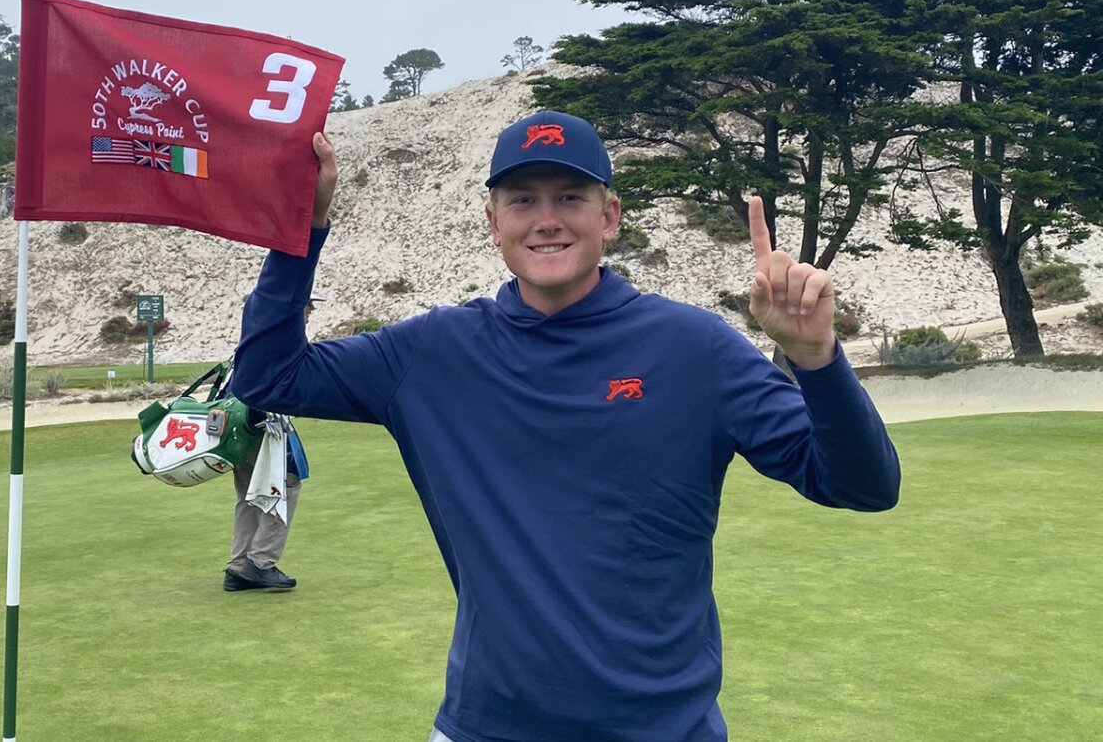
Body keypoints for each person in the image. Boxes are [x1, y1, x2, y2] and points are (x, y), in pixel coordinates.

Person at [230, 110, 900, 741]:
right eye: (523, 199)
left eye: (569, 197)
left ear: (610, 216)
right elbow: (267, 378)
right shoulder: (431, 354)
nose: (546, 220)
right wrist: (301, 229)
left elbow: (864, 485)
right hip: (485, 725)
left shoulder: (696, 349)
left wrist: (816, 360)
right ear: (493, 221)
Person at [222, 297, 318, 592]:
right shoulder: (285, 339)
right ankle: (261, 563)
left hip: (241, 432)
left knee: (249, 498)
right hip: (267, 431)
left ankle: (239, 568)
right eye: (307, 308)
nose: (310, 314)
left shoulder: (256, 336)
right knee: (284, 490)